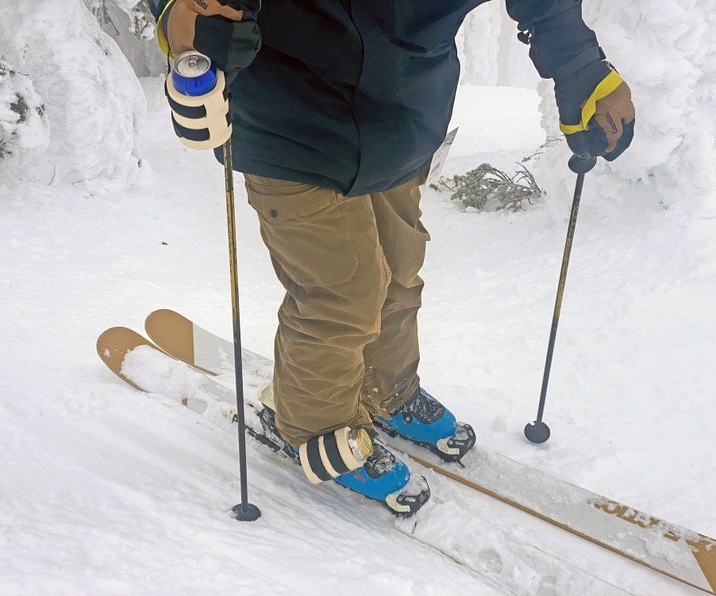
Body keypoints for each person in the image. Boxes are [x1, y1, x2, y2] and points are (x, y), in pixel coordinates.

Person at [147, 0, 635, 516]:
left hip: (402, 118)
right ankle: (311, 427)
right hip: (287, 124)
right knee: (341, 296)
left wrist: (580, 65)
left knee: (400, 270)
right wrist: (182, 15)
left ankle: (387, 388)